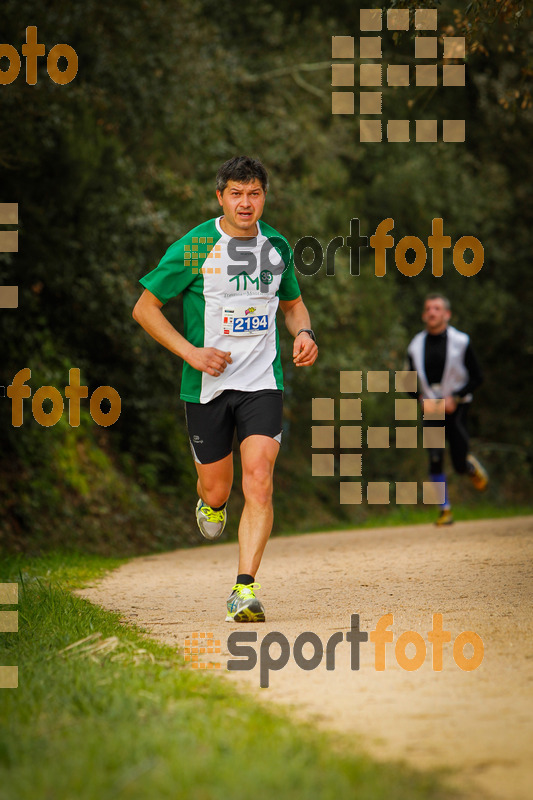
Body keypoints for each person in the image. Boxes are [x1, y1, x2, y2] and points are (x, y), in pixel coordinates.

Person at [132, 156, 318, 621]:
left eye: (254, 193)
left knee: (258, 479)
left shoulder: (276, 245)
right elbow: (145, 308)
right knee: (219, 490)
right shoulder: (197, 246)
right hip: (207, 387)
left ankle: (244, 589)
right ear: (220, 197)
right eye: (236, 193)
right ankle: (209, 503)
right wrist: (191, 353)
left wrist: (304, 333)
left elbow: (293, 305)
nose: (245, 202)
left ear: (264, 197)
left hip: (261, 383)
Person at [407, 293, 488, 526]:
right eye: (428, 309)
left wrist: (457, 396)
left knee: (458, 462)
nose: (432, 312)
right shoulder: (415, 345)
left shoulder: (461, 342)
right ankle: (445, 510)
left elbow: (478, 376)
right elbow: (407, 381)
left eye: (437, 308)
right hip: (432, 407)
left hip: (457, 407)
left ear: (446, 314)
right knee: (434, 457)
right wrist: (419, 398)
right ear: (424, 315)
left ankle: (468, 465)